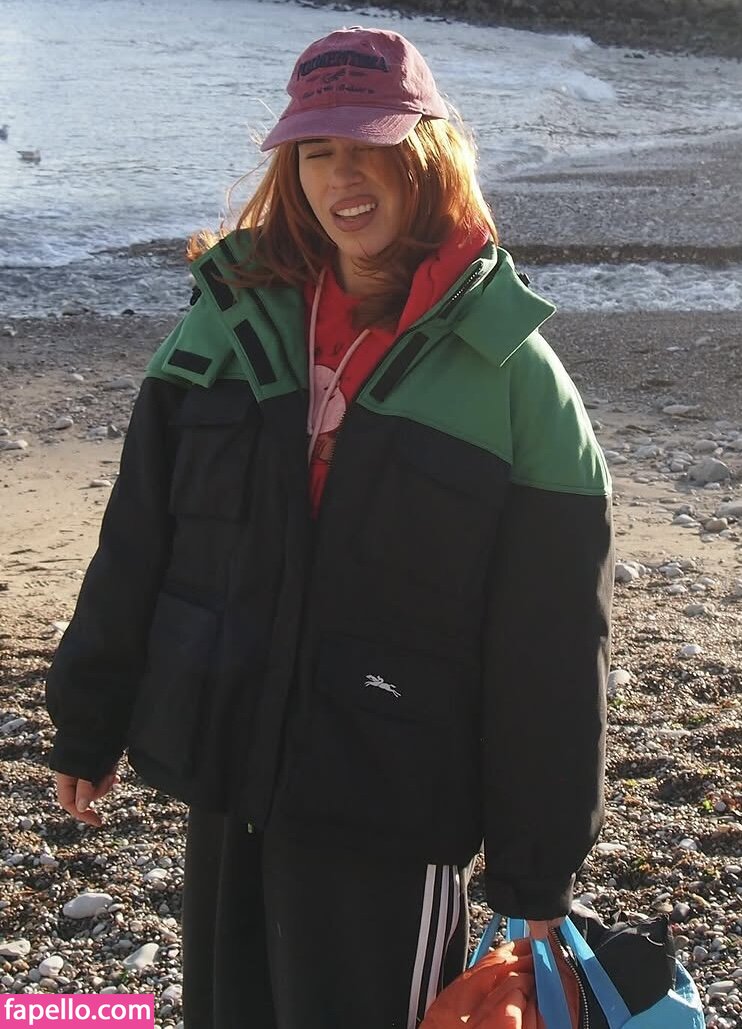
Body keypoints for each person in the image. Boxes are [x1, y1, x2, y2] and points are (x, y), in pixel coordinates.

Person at [46, 25, 614, 1029]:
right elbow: (137, 536)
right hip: (232, 777)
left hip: (391, 806)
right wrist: (90, 720)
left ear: (424, 158)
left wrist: (535, 869)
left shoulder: (516, 380)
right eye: (316, 152)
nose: (341, 178)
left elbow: (555, 648)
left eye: (368, 148)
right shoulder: (222, 326)